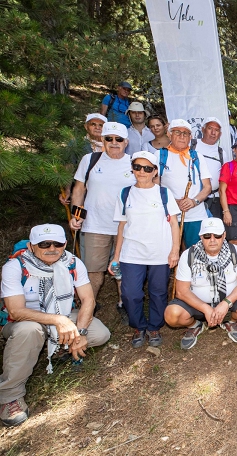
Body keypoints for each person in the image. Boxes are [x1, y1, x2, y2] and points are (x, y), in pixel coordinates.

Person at [0, 224, 111, 427]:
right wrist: (59, 320)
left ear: (65, 244)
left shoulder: (72, 263)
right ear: (32, 246)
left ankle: (60, 347)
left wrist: (82, 332)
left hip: (64, 314)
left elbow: (88, 300)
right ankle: (10, 396)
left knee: (100, 333)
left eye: (58, 243)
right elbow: (16, 311)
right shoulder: (15, 266)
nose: (52, 248)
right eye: (44, 244)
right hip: (24, 322)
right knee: (30, 331)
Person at [110, 151, 180, 348]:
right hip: (131, 252)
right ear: (132, 169)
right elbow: (122, 226)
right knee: (131, 293)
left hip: (160, 252)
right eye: (138, 167)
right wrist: (115, 257)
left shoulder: (164, 193)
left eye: (147, 168)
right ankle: (138, 326)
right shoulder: (125, 193)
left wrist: (174, 250)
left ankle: (154, 326)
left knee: (158, 292)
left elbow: (174, 224)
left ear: (155, 172)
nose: (142, 171)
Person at [69, 121, 135, 318]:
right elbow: (79, 189)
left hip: (126, 226)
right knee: (93, 269)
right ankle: (89, 305)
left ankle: (124, 304)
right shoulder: (90, 160)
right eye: (109, 139)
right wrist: (76, 215)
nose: (114, 143)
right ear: (102, 140)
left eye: (118, 139)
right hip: (95, 224)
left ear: (126, 142)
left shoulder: (134, 163)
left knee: (123, 268)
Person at [164, 218, 237, 348]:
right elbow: (181, 291)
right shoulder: (188, 255)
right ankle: (195, 325)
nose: (212, 240)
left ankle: (229, 321)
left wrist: (226, 303)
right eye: (207, 236)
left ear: (224, 235)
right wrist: (205, 308)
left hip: (229, 303)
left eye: (217, 235)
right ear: (201, 237)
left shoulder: (235, 251)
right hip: (197, 305)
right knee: (171, 315)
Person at [156, 119, 212, 248]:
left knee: (196, 253)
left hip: (196, 215)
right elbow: (154, 186)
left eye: (185, 133)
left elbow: (207, 187)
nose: (182, 136)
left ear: (190, 137)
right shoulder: (160, 155)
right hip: (170, 214)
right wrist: (173, 202)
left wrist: (194, 201)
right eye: (177, 132)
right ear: (169, 135)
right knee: (169, 252)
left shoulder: (197, 157)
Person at [59, 113, 107, 205]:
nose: (97, 127)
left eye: (101, 125)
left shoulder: (111, 145)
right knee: (79, 217)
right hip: (82, 191)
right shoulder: (76, 144)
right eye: (93, 124)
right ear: (86, 126)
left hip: (104, 193)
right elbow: (69, 167)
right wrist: (67, 190)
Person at [194, 117, 230, 219]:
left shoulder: (222, 153)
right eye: (210, 128)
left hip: (214, 200)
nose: (213, 132)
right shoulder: (192, 145)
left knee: (213, 231)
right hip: (193, 197)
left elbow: (225, 179)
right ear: (203, 129)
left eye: (217, 130)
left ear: (220, 134)